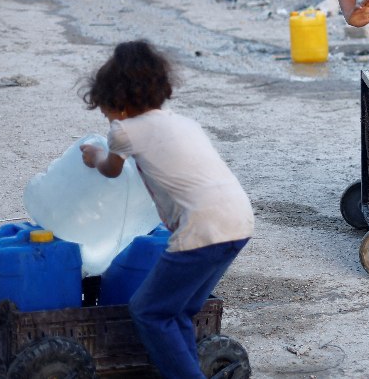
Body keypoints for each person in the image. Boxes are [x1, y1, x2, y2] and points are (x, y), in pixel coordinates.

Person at [80, 40, 254, 378]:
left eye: (104, 108)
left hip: (202, 229)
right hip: (238, 222)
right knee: (178, 312)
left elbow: (112, 169)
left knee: (148, 311)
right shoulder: (183, 123)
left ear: (119, 102)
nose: (105, 116)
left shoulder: (123, 131)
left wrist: (94, 156)